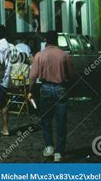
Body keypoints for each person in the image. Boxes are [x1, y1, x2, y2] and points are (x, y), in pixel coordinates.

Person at [28, 30, 76, 162]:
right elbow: (72, 75)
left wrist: (30, 90)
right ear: (57, 40)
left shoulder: (39, 55)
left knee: (46, 119)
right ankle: (59, 153)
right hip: (61, 88)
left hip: (45, 89)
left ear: (46, 40)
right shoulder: (64, 55)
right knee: (61, 122)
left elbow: (32, 76)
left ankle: (49, 146)